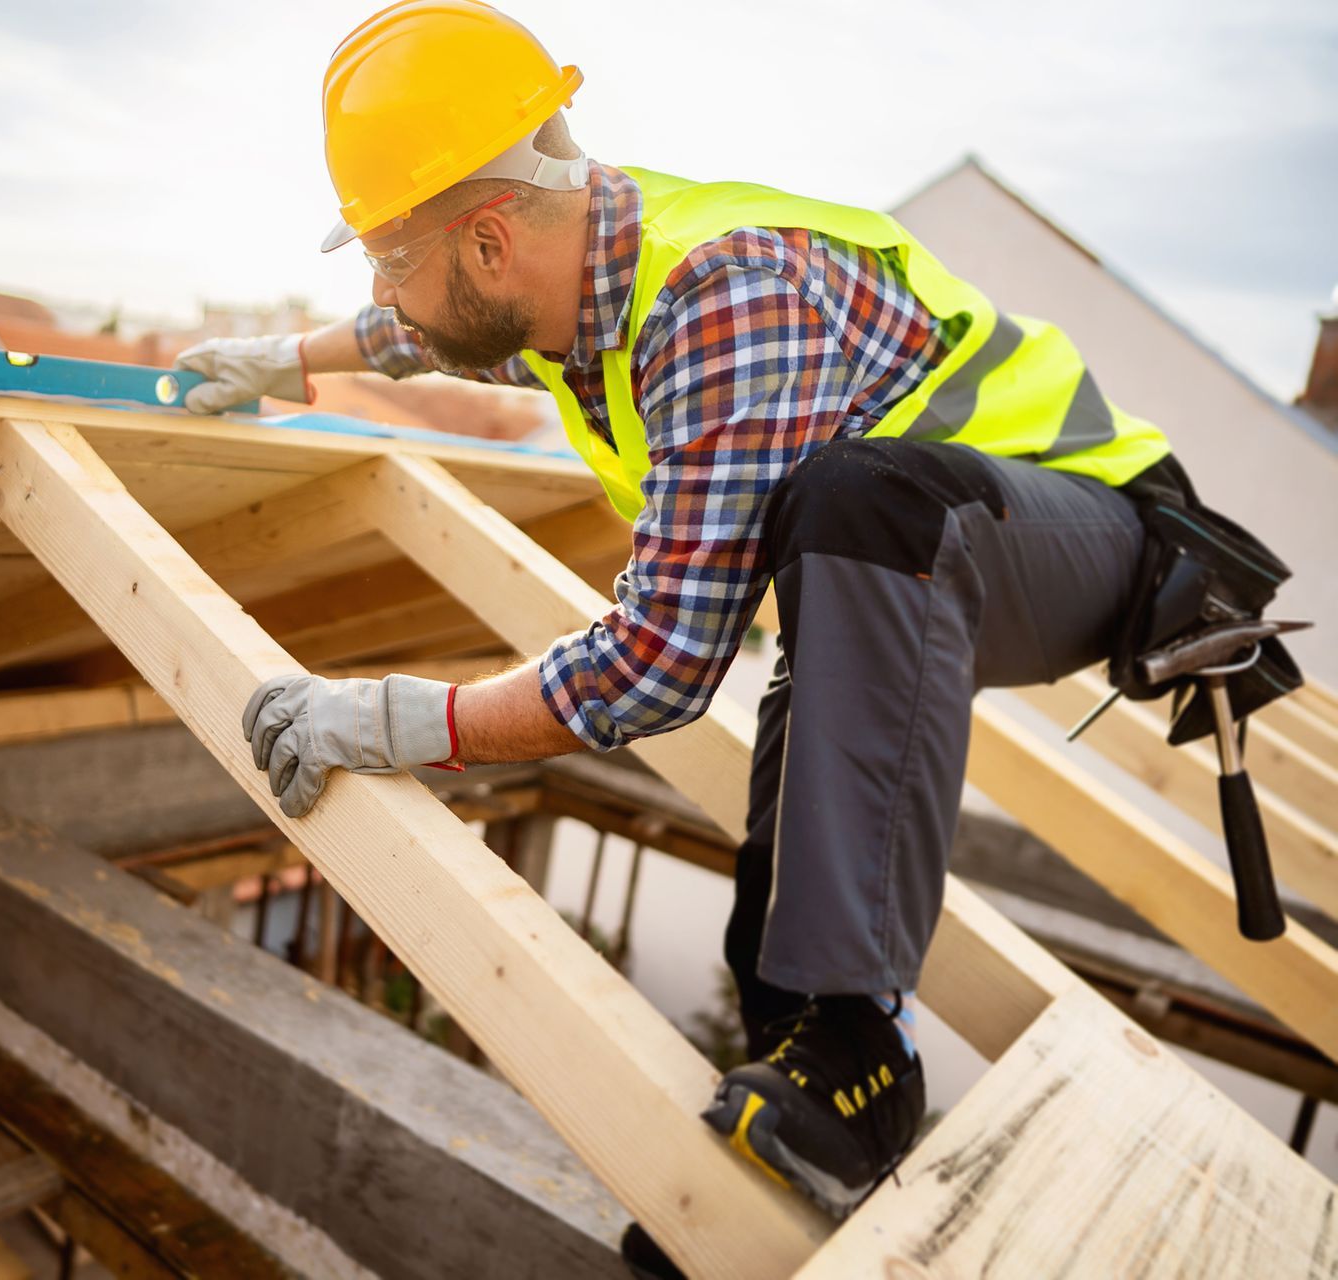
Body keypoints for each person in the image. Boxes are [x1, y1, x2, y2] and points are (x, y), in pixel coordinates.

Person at [183, 0, 1184, 1254]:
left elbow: (656, 666)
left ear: (490, 237)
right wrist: (288, 357)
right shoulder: (564, 270)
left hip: (1093, 532)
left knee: (852, 503)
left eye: (386, 253)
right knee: (804, 754)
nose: (384, 289)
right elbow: (424, 321)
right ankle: (790, 1137)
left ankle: (864, 1046)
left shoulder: (720, 295)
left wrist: (399, 719)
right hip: (923, 559)